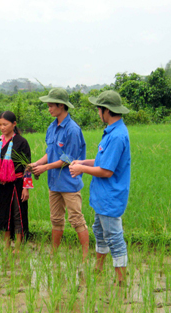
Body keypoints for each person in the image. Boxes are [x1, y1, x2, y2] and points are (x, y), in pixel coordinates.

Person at [69, 90, 131, 287]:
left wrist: (81, 169)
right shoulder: (112, 132)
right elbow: (102, 161)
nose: (97, 112)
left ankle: (121, 281)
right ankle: (98, 267)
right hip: (101, 197)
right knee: (100, 231)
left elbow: (106, 171)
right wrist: (83, 162)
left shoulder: (117, 136)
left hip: (110, 197)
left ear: (106, 110)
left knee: (114, 237)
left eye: (98, 109)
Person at [31, 88, 89, 260]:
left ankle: (85, 255)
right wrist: (36, 164)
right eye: (48, 105)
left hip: (69, 182)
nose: (48, 109)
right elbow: (51, 152)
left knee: (76, 219)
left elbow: (67, 159)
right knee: (56, 219)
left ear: (61, 106)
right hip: (54, 183)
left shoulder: (72, 129)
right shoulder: (52, 127)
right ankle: (53, 253)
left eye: (51, 105)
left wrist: (45, 168)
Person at [0, 111, 34, 252]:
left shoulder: (21, 142)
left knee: (17, 214)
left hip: (17, 184)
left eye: (5, 124)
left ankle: (18, 246)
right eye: (0, 124)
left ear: (14, 124)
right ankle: (6, 245)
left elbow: (27, 166)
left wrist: (26, 188)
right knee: (3, 214)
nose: (2, 127)